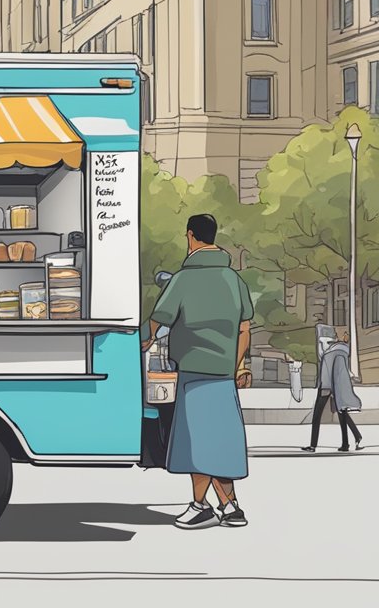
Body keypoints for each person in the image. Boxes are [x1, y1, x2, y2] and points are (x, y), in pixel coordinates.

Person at [143, 213, 254, 529]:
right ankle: (231, 506)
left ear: (190, 236)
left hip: (192, 370)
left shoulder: (183, 279)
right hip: (223, 373)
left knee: (197, 443)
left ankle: (200, 506)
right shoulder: (234, 280)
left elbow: (158, 319)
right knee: (222, 440)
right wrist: (236, 365)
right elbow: (245, 329)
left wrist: (146, 337)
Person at [303, 325, 364, 452]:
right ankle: (351, 440)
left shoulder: (336, 352)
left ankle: (313, 445)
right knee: (342, 415)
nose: (321, 344)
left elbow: (339, 373)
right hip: (331, 387)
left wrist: (332, 388)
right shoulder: (334, 351)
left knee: (318, 415)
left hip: (328, 387)